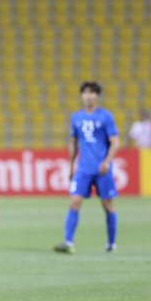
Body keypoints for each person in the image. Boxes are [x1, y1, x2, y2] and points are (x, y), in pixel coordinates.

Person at [53, 81, 120, 254]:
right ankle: (69, 242)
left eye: (92, 93)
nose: (88, 96)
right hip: (83, 168)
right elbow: (74, 142)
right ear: (82, 96)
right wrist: (71, 165)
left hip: (102, 168)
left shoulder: (106, 116)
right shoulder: (77, 117)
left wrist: (107, 161)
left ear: (97, 96)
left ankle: (111, 243)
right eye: (85, 93)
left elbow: (115, 142)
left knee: (108, 205)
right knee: (75, 202)